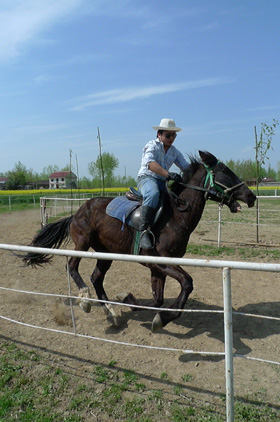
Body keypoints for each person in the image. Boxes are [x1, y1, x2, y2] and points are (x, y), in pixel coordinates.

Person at [137, 118, 190, 249]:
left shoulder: (174, 151)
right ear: (159, 135)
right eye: (168, 135)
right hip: (147, 178)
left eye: (174, 135)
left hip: (162, 181)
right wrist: (168, 174)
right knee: (153, 193)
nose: (171, 138)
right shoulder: (151, 146)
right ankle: (143, 231)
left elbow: (186, 168)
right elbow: (150, 164)